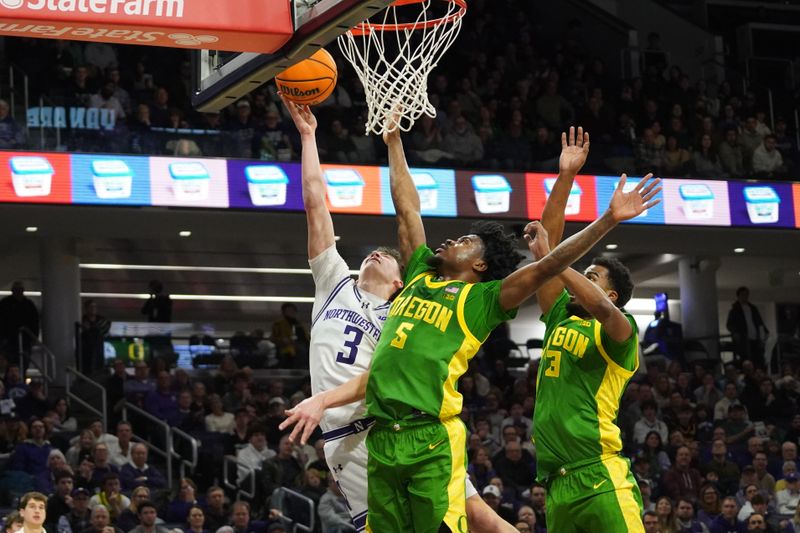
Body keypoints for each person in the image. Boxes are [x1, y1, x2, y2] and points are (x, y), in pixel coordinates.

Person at [280, 121, 659, 531]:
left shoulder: (482, 300)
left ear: (479, 265)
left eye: (464, 241)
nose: (450, 241)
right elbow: (407, 208)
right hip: (384, 437)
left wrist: (607, 220)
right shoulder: (420, 275)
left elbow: (548, 264)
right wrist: (393, 142)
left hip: (430, 436)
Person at [279, 94, 517, 533]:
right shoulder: (333, 282)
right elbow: (316, 203)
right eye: (373, 253)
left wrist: (322, 399)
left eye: (388, 258)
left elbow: (385, 378)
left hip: (402, 427)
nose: (377, 255)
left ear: (398, 283)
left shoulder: (406, 312)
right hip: (349, 438)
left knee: (483, 520)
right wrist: (309, 136)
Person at [530, 127, 660, 532]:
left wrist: (553, 260)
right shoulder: (559, 316)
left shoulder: (619, 335)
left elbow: (600, 307)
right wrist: (565, 176)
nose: (580, 280)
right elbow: (548, 239)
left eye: (592, 275)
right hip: (556, 486)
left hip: (601, 478)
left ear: (615, 293)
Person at [726, 287, 768, 367]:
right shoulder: (734, 310)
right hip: (744, 339)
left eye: (746, 295)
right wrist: (735, 332)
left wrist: (765, 333)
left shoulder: (753, 309)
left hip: (755, 338)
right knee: (746, 359)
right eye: (743, 295)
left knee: (758, 359)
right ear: (738, 296)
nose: (745, 296)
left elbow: (759, 322)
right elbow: (729, 324)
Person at [0, 281, 40, 357]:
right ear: (12, 291)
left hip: (25, 338)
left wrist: (34, 337)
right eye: (16, 290)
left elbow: (35, 321)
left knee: (24, 358)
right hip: (8, 338)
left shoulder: (28, 304)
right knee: (9, 359)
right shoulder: (5, 304)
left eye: (19, 290)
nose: (18, 292)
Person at [80, 300, 111, 376]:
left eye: (94, 306)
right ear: (86, 308)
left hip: (98, 349)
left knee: (98, 368)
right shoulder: (82, 320)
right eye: (90, 306)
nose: (93, 308)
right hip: (86, 350)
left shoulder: (102, 320)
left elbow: (105, 330)